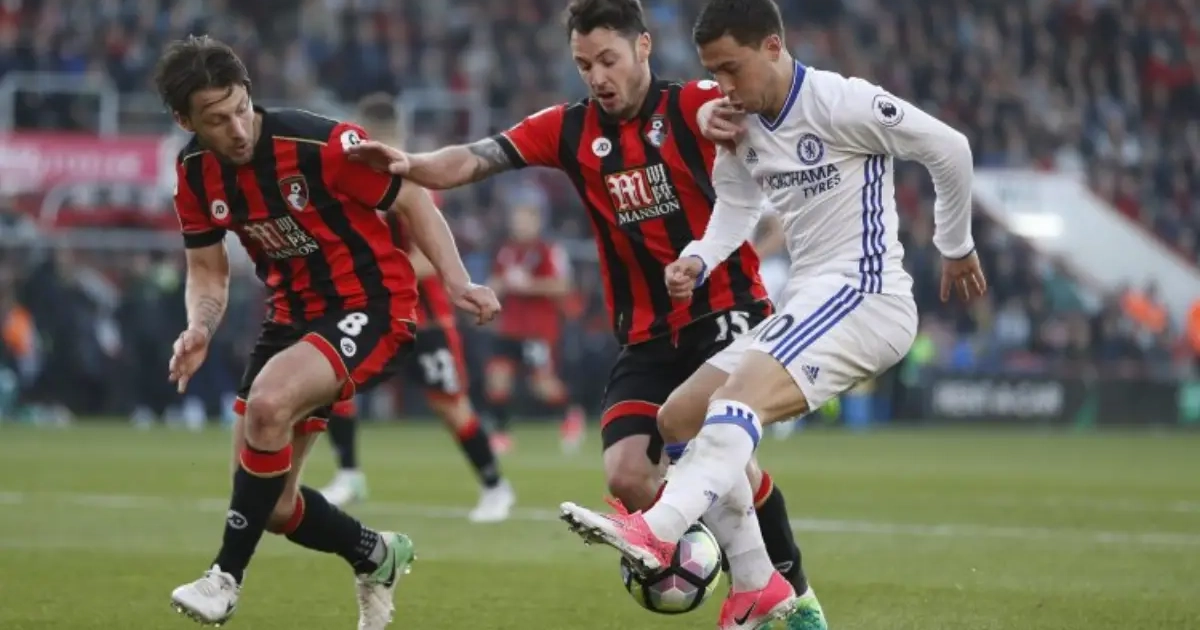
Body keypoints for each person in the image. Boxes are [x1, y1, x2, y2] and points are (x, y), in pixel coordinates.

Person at [343, 0, 814, 602]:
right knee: (628, 475)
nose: (597, 77)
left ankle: (792, 595)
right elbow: (478, 157)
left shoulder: (694, 104)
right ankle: (709, 559)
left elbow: (756, 102)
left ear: (643, 47)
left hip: (726, 312)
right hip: (647, 333)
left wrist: (738, 113)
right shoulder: (568, 128)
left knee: (721, 454)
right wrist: (410, 163)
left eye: (609, 60)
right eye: (584, 64)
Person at [557, 0, 985, 628]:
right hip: (811, 298)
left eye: (731, 69)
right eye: (712, 72)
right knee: (679, 416)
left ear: (773, 48)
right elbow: (735, 205)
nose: (722, 87)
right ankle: (760, 586)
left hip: (866, 295)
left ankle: (659, 528)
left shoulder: (841, 102)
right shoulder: (743, 124)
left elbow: (949, 147)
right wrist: (698, 258)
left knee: (737, 401)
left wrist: (956, 245)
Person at [157, 36, 499, 628]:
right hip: (291, 316)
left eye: (240, 108)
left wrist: (457, 279)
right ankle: (376, 554)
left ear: (249, 93)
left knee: (268, 404)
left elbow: (412, 197)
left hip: (372, 303)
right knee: (272, 505)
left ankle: (224, 578)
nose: (236, 129)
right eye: (216, 119)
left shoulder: (316, 144)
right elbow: (208, 273)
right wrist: (200, 327)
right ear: (185, 122)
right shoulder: (194, 174)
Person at [319, 94, 515, 523]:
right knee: (331, 381)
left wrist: (376, 271)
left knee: (450, 406)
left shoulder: (414, 184)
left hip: (424, 319)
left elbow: (431, 259)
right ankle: (349, 474)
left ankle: (495, 486)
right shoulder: (350, 183)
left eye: (382, 140)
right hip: (371, 313)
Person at [485, 202, 586, 454]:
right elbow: (495, 281)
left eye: (525, 220)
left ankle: (571, 415)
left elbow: (563, 286)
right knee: (497, 377)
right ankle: (501, 433)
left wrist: (528, 284)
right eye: (517, 220)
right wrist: (495, 288)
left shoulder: (549, 251)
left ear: (537, 223)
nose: (520, 225)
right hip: (509, 327)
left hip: (538, 329)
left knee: (541, 385)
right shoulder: (506, 251)